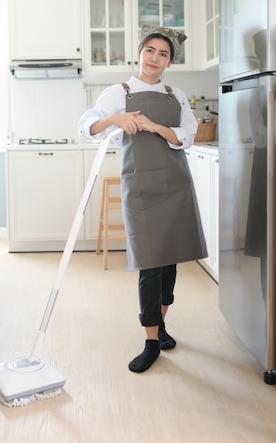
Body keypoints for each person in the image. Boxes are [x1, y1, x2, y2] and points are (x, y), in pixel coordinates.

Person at [78, 24, 207, 373]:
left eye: (163, 54)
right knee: (150, 264)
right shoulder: (118, 92)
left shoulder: (175, 95)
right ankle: (151, 340)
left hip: (176, 184)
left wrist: (152, 126)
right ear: (139, 53)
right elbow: (86, 126)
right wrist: (114, 118)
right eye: (150, 50)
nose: (155, 58)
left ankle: (162, 323)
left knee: (171, 261)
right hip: (140, 186)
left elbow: (188, 136)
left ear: (169, 61)